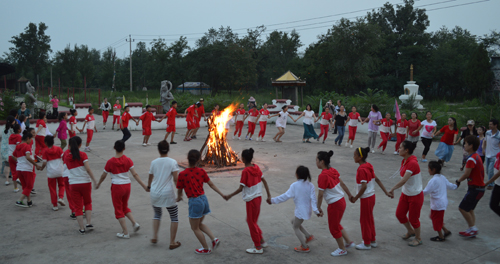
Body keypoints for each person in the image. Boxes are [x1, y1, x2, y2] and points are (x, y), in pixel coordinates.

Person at [176, 149, 225, 255]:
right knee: (199, 224)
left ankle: (206, 248)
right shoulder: (201, 171)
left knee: (194, 227)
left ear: (188, 158)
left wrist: (178, 197)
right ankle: (214, 239)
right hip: (204, 199)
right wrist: (222, 194)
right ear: (198, 160)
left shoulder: (182, 174)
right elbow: (211, 185)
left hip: (195, 202)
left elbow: (179, 190)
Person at [96, 140, 147, 239]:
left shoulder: (110, 162)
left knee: (118, 209)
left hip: (117, 187)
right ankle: (134, 223)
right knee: (124, 206)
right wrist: (144, 186)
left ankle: (125, 232)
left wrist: (99, 184)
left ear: (114, 148)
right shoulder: (128, 160)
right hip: (127, 186)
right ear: (124, 148)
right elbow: (135, 174)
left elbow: (103, 175)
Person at [225, 148, 271, 254]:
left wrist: (229, 195)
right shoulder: (256, 167)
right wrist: (269, 195)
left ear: (243, 159)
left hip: (251, 200)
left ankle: (257, 247)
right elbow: (264, 181)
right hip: (258, 198)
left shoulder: (245, 171)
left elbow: (241, 188)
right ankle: (262, 241)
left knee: (251, 223)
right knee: (252, 221)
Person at [268, 165, 320, 253]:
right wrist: (316, 211)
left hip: (300, 211)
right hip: (307, 210)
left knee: (295, 227)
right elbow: (314, 199)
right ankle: (308, 236)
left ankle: (304, 246)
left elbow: (285, 196)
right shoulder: (310, 185)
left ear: (297, 175)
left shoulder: (295, 185)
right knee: (294, 221)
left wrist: (272, 201)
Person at [349, 147, 391, 250]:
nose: (353, 157)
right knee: (369, 218)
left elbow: (364, 186)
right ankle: (372, 240)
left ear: (360, 157)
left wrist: (355, 198)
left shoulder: (362, 169)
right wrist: (386, 192)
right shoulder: (368, 166)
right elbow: (377, 179)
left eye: (355, 155)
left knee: (364, 220)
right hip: (372, 197)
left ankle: (367, 243)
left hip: (366, 198)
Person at [315, 150, 355, 257]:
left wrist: (318, 207)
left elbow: (320, 194)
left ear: (322, 162)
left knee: (333, 228)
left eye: (317, 160)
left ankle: (342, 249)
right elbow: (342, 183)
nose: (316, 162)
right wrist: (349, 195)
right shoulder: (333, 170)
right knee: (336, 224)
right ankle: (348, 242)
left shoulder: (323, 176)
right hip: (341, 201)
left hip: (335, 205)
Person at [388, 141, 424, 247]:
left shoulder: (412, 163)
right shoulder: (404, 161)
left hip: (415, 195)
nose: (398, 149)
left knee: (414, 219)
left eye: (400, 148)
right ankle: (411, 231)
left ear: (406, 150)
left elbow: (404, 180)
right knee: (400, 214)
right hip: (406, 194)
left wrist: (393, 188)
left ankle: (418, 238)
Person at [147, 140, 181, 248]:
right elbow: (176, 179)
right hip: (167, 193)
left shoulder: (154, 162)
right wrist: (179, 193)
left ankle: (155, 236)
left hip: (155, 192)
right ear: (168, 149)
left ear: (158, 150)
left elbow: (150, 176)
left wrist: (149, 186)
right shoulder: (172, 162)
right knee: (174, 216)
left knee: (157, 214)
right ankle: (172, 242)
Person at [65, 136, 97, 235]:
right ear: (80, 145)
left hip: (73, 184)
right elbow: (88, 169)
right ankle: (88, 223)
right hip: (85, 183)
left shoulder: (67, 157)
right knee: (87, 202)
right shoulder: (83, 155)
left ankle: (82, 228)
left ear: (69, 145)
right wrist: (94, 180)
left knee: (78, 207)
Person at [455, 135, 485, 238]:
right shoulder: (477, 156)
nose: (464, 145)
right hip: (479, 189)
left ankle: (473, 228)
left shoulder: (471, 159)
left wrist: (458, 181)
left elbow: (466, 174)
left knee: (462, 208)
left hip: (475, 189)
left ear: (471, 146)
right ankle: (471, 228)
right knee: (470, 209)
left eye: (466, 143)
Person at [422, 161, 457, 242]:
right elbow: (450, 186)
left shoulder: (433, 180)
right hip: (442, 203)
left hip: (437, 204)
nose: (428, 170)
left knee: (436, 220)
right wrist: (456, 185)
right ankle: (446, 231)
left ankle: (441, 236)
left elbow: (426, 191)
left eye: (429, 169)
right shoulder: (442, 177)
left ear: (433, 170)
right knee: (435, 218)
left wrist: (416, 194)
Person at [14, 128, 41, 208]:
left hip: (19, 168)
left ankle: (29, 201)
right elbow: (28, 157)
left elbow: (13, 156)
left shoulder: (18, 146)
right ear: (28, 138)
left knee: (25, 186)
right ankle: (20, 200)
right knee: (29, 186)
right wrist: (35, 165)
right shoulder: (26, 146)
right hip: (26, 169)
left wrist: (19, 161)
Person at [40, 135, 65, 211]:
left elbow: (44, 163)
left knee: (52, 188)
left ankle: (55, 205)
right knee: (62, 185)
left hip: (51, 172)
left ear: (46, 143)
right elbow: (64, 158)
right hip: (60, 171)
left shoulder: (45, 151)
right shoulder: (59, 149)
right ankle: (60, 197)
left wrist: (41, 168)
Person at [484, 119, 500, 190]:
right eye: (489, 124)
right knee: (487, 170)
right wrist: (483, 149)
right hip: (487, 154)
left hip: (495, 155)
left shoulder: (499, 135)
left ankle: (490, 184)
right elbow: (485, 141)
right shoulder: (487, 132)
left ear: (495, 125)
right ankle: (492, 182)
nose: (489, 126)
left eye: (491, 124)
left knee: (491, 170)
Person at [485, 152, 500, 217]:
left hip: (498, 185)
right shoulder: (498, 154)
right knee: (493, 205)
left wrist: (489, 182)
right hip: (497, 183)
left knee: (493, 205)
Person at [1, 116, 15, 185]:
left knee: (7, 164)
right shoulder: (12, 130)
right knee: (14, 164)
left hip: (3, 148)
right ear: (13, 122)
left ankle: (7, 180)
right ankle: (15, 178)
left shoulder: (4, 129)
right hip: (10, 149)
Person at [8, 124, 22, 192]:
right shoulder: (18, 137)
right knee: (19, 169)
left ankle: (15, 188)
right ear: (19, 130)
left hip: (10, 156)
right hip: (16, 156)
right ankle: (19, 179)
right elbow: (18, 147)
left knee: (13, 171)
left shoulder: (11, 136)